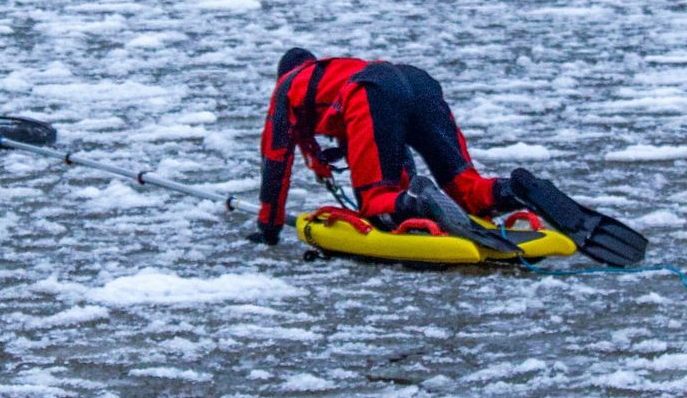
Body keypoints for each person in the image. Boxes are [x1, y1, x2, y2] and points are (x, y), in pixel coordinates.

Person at [245, 48, 647, 266]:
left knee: (376, 200)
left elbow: (274, 160)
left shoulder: (287, 90)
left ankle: (417, 202)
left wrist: (269, 228)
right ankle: (515, 188)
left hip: (372, 91)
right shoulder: (331, 74)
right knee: (467, 189)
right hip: (415, 81)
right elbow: (384, 140)